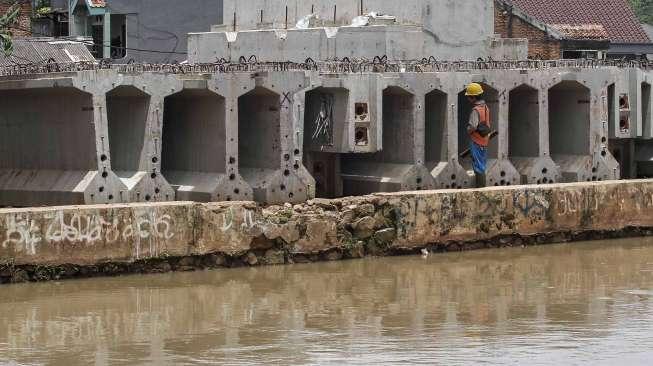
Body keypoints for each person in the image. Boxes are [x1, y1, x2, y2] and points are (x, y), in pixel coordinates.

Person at [465, 83, 491, 188]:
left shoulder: (476, 110)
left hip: (476, 140)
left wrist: (468, 130)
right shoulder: (485, 108)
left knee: (478, 165)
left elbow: (473, 126)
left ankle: (480, 188)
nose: (468, 99)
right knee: (482, 163)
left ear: (473, 97)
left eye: (469, 97)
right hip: (484, 140)